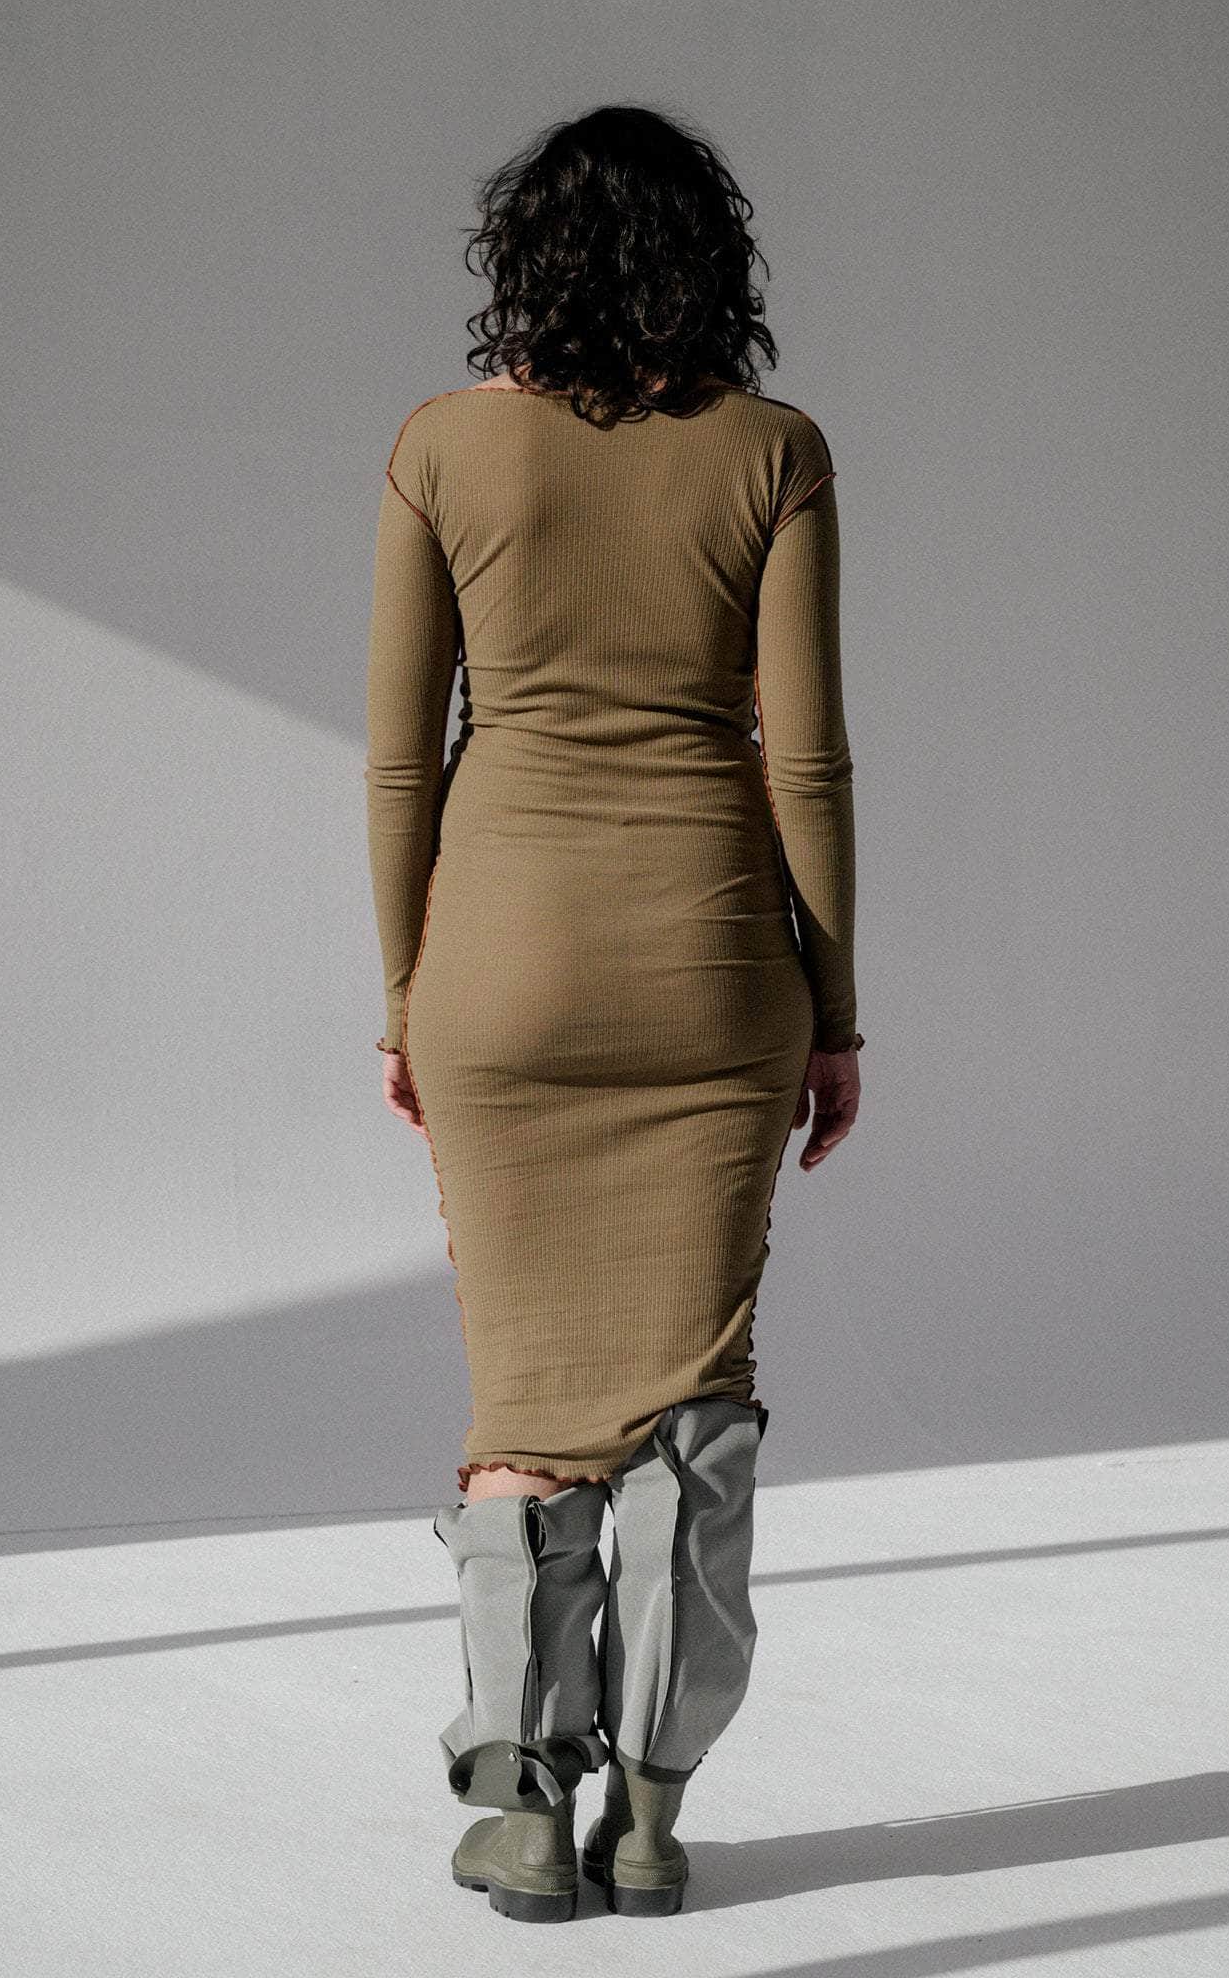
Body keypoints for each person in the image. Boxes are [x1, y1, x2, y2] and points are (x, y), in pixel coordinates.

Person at [365, 102, 862, 1923]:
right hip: (713, 972)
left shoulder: (441, 447)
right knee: (693, 1394)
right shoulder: (774, 451)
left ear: (528, 258)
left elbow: (399, 765)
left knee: (521, 1399)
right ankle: (648, 1811)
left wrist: (408, 997)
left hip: (499, 969)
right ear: (709, 258)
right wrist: (836, 1010)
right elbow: (804, 760)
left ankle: (517, 1807)